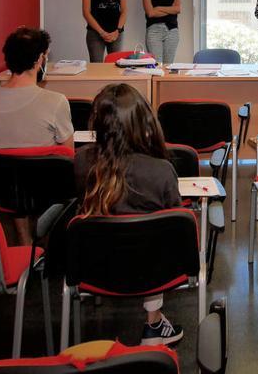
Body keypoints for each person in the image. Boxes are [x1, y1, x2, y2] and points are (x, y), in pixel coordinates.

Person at [74, 83, 184, 346]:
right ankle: (154, 323)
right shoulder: (161, 170)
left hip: (94, 264)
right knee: (161, 235)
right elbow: (175, 222)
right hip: (152, 267)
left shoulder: (80, 162)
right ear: (143, 124)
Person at [0, 27, 75, 245]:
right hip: (45, 190)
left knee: (16, 171)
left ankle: (23, 237)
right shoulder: (56, 101)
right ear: (40, 59)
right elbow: (68, 156)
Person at [142, 0, 181, 64]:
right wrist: (170, 10)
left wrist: (158, 8)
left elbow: (177, 9)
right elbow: (150, 13)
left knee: (169, 65)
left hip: (172, 30)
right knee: (157, 64)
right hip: (154, 30)